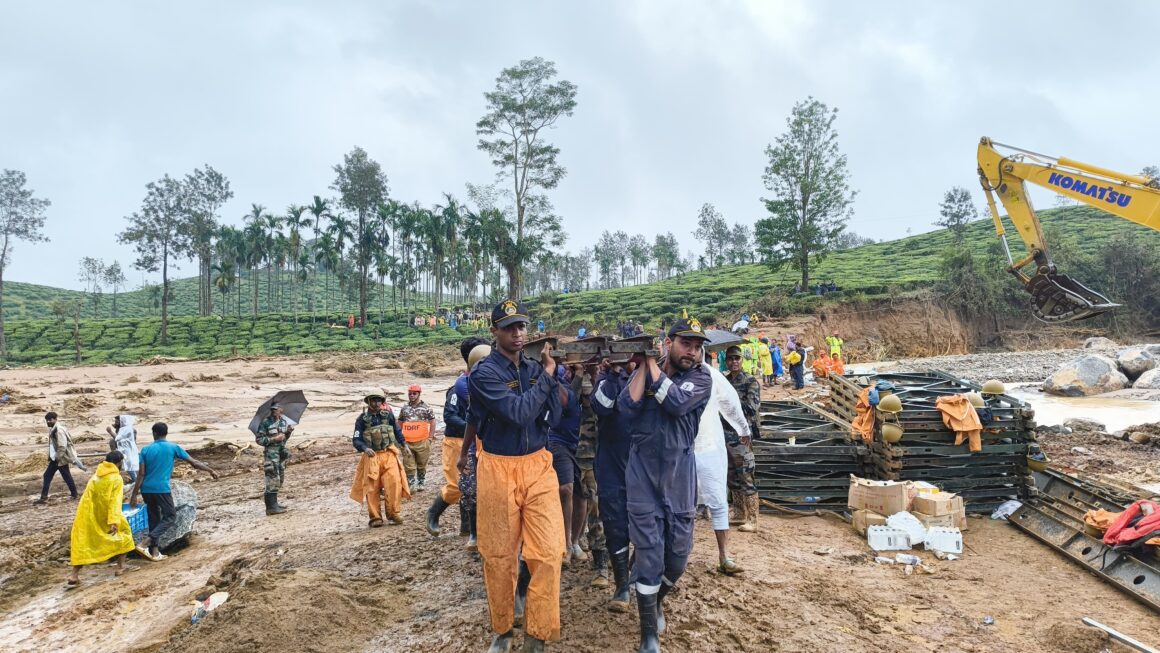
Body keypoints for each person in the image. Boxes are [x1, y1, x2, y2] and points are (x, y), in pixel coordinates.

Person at [469, 300, 563, 653]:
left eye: (522, 326)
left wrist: (559, 379)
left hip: (538, 464)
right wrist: (547, 379)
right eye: (509, 327)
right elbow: (519, 413)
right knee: (498, 556)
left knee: (550, 552)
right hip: (497, 467)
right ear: (494, 332)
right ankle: (503, 629)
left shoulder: (536, 368)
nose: (518, 333)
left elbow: (556, 410)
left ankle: (537, 634)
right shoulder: (484, 374)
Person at [619, 318, 712, 652]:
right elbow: (625, 408)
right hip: (642, 472)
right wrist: (645, 365)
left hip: (679, 475)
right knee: (649, 556)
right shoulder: (649, 370)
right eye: (686, 344)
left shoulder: (701, 377)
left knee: (677, 558)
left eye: (698, 346)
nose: (693, 352)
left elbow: (674, 403)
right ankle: (648, 636)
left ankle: (656, 598)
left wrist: (652, 368)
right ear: (669, 342)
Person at [428, 336, 490, 537]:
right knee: (456, 486)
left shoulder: (487, 383)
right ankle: (433, 514)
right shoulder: (458, 389)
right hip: (457, 441)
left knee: (472, 485)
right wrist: (471, 428)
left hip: (477, 441)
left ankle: (468, 529)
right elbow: (449, 415)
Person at [129, 422, 218, 561]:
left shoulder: (145, 450)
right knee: (170, 516)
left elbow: (141, 474)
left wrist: (134, 494)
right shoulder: (173, 447)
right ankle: (144, 543)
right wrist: (210, 470)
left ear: (154, 434)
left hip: (146, 489)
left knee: (154, 518)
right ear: (166, 433)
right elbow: (194, 463)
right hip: (161, 489)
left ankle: (155, 552)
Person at [696, 352, 750, 576]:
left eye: (697, 346)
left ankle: (724, 556)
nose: (692, 351)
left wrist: (742, 427)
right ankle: (675, 556)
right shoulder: (668, 373)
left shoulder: (710, 375)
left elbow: (729, 401)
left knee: (717, 501)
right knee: (679, 505)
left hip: (708, 446)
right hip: (678, 450)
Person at [592, 356, 633, 612]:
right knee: (615, 526)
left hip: (644, 467)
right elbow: (602, 407)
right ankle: (622, 584)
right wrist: (614, 374)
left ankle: (639, 574)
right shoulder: (605, 382)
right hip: (612, 467)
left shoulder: (649, 378)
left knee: (649, 525)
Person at [67, 450, 137, 587]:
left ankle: (74, 575)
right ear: (118, 463)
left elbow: (86, 499)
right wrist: (114, 521)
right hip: (107, 516)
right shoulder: (116, 478)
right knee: (125, 536)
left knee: (83, 544)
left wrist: (84, 517)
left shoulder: (95, 477)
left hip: (90, 515)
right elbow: (114, 502)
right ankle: (120, 567)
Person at [350, 392, 410, 527]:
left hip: (389, 454)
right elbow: (356, 439)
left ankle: (393, 513)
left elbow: (397, 431)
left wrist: (404, 445)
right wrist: (365, 448)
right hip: (372, 456)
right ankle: (375, 517)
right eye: (374, 401)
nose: (376, 403)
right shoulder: (362, 420)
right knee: (372, 487)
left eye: (379, 401)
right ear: (368, 402)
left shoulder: (388, 415)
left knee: (394, 483)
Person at [573, 361, 608, 589]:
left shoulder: (609, 383)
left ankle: (606, 561)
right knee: (590, 507)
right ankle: (598, 561)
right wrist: (577, 376)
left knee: (603, 510)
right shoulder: (576, 384)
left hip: (607, 456)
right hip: (582, 454)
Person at [456, 343, 493, 551]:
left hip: (494, 445)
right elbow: (475, 413)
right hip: (475, 444)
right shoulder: (463, 384)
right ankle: (474, 532)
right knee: (470, 489)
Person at [547, 367, 584, 568]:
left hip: (580, 443)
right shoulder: (557, 380)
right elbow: (565, 398)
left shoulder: (578, 383)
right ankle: (566, 542)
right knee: (565, 488)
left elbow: (573, 393)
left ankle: (575, 540)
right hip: (557, 441)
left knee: (583, 493)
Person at [724, 346, 761, 533]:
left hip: (741, 436)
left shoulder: (750, 381)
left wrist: (731, 401)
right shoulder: (723, 381)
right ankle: (739, 513)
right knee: (731, 477)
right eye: (730, 359)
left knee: (746, 475)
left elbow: (752, 407)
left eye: (737, 358)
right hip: (725, 435)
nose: (734, 362)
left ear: (742, 360)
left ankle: (753, 519)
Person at [35, 412, 85, 504]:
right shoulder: (55, 429)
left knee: (52, 476)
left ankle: (44, 497)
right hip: (58, 458)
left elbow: (62, 446)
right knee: (63, 476)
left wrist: (57, 458)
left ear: (55, 419)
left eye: (50, 420)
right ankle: (73, 494)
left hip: (59, 458)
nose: (48, 422)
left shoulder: (58, 430)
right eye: (47, 420)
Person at [255, 404, 294, 515]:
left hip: (280, 454)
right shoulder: (266, 422)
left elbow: (284, 440)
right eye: (273, 410)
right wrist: (274, 439)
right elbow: (259, 440)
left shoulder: (283, 422)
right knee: (272, 479)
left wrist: (288, 433)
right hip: (271, 455)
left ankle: (275, 504)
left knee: (279, 479)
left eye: (276, 409)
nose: (274, 411)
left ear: (281, 410)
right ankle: (270, 508)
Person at [399, 384, 437, 490]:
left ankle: (421, 482)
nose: (411, 396)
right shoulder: (405, 408)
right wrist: (399, 438)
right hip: (407, 442)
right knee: (408, 464)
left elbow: (433, 422)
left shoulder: (426, 408)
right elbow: (400, 422)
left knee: (422, 463)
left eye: (414, 394)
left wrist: (430, 438)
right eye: (410, 394)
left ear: (419, 394)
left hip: (422, 441)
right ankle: (411, 484)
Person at [106, 415, 139, 482]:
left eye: (117, 422)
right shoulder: (121, 429)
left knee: (129, 467)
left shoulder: (129, 430)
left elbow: (119, 439)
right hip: (122, 450)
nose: (115, 423)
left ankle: (135, 481)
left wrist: (110, 432)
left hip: (128, 451)